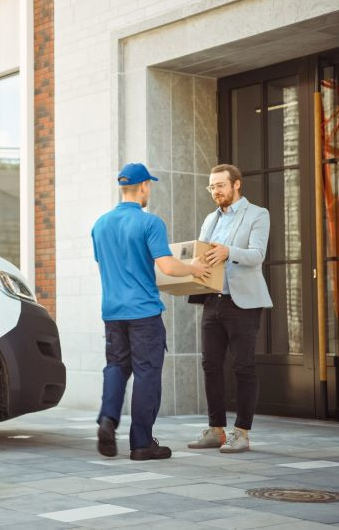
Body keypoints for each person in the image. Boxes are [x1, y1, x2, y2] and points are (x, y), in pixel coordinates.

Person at [93, 163, 210, 460]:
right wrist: (194, 267)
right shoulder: (150, 222)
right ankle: (142, 443)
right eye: (150, 186)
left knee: (116, 367)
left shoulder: (100, 224)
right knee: (146, 373)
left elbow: (110, 265)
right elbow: (168, 266)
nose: (150, 191)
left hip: (112, 311)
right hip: (143, 312)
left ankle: (107, 419)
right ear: (144, 186)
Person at [187, 164, 272, 453]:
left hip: (243, 302)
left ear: (237, 184)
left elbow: (257, 255)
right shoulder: (210, 219)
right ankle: (216, 430)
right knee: (210, 365)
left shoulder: (258, 214)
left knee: (243, 365)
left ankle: (242, 433)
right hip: (213, 300)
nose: (215, 192)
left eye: (220, 185)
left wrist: (228, 252)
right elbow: (202, 254)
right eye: (211, 187)